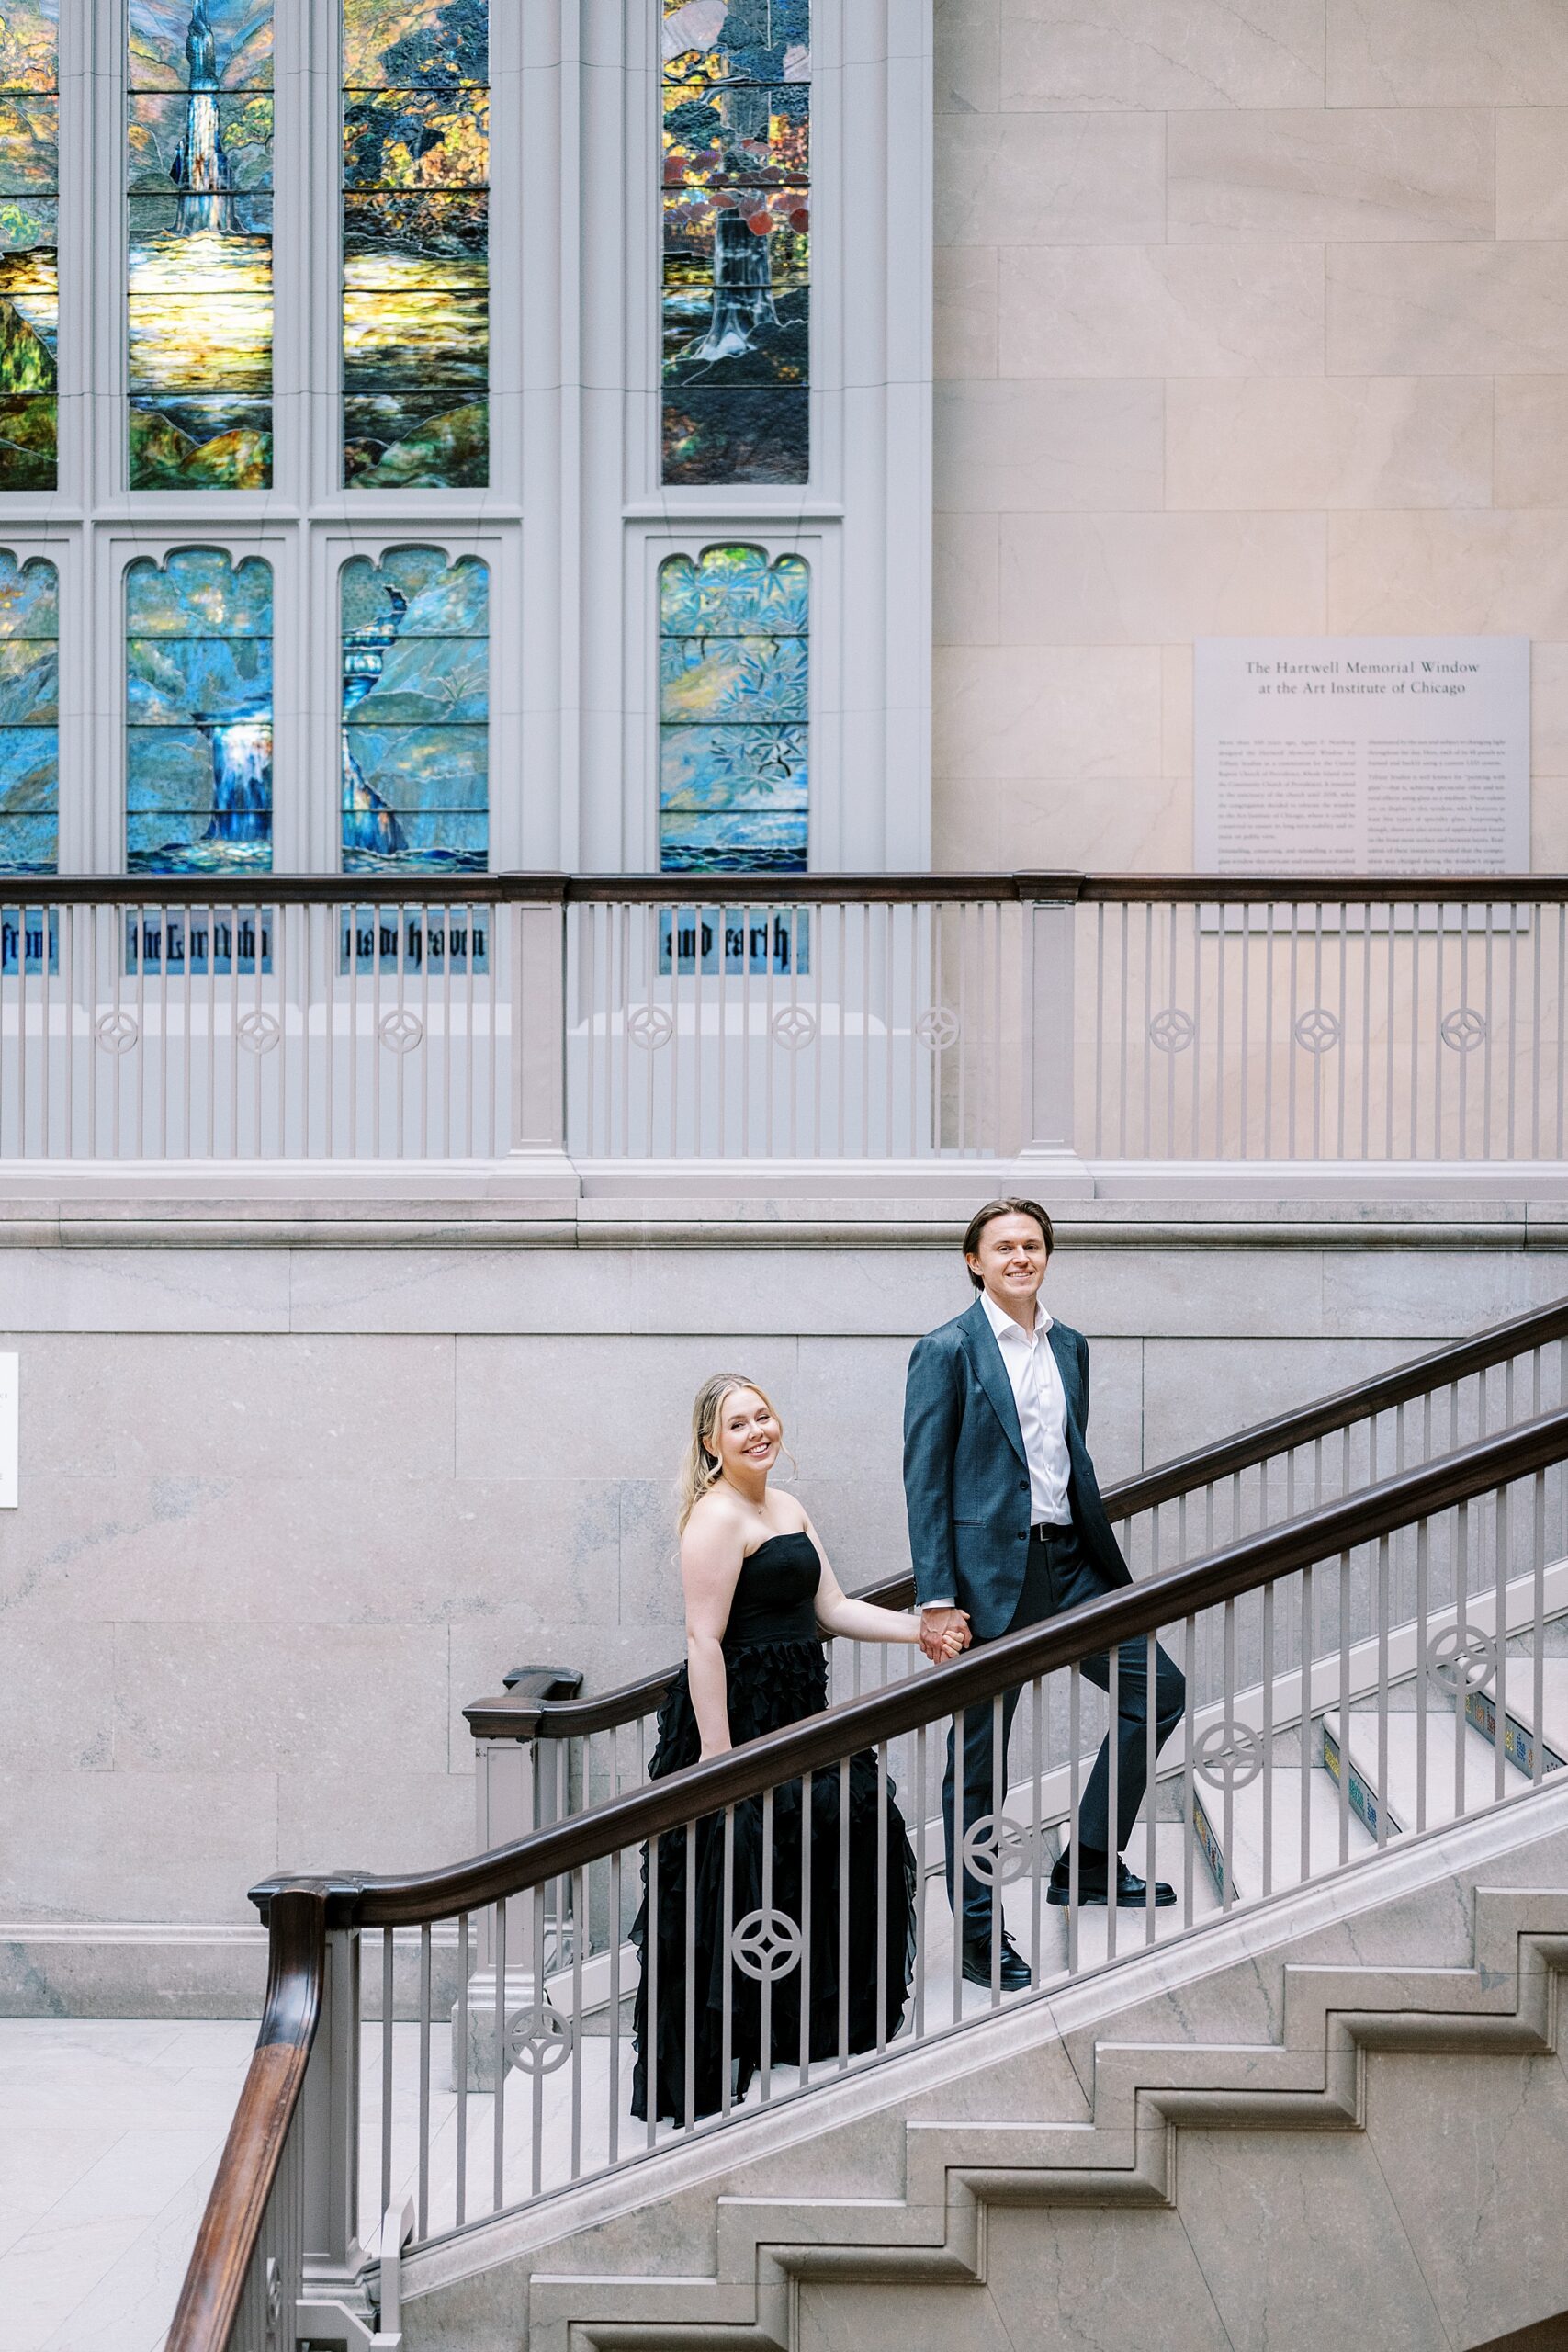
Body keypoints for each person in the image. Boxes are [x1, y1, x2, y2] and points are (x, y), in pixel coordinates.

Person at [630, 1374, 966, 2124]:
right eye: (738, 1423)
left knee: (839, 1841)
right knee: (736, 1876)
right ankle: (726, 2052)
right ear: (710, 1444)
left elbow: (835, 1608)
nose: (757, 1431)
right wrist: (721, 1758)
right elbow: (702, 1639)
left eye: (763, 1416)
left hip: (798, 1710)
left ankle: (803, 2029)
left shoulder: (786, 1507)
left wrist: (921, 1630)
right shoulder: (714, 1518)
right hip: (738, 1719)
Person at [903, 1199, 1186, 1991]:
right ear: (974, 1261)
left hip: (1072, 1565)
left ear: (1046, 1256)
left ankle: (1088, 1859)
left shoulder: (1070, 1346)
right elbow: (924, 1482)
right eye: (1003, 1247)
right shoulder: (946, 1350)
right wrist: (936, 1596)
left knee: (1156, 1690)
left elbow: (1065, 1456)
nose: (1019, 1257)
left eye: (1031, 1245)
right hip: (993, 1581)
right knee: (981, 1767)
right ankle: (978, 1936)